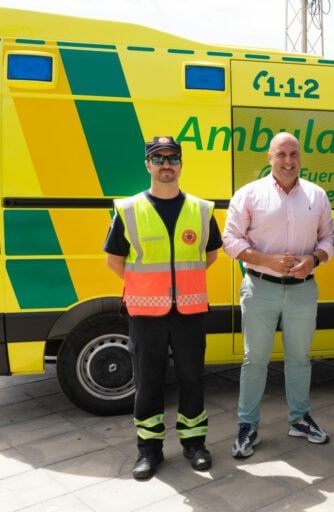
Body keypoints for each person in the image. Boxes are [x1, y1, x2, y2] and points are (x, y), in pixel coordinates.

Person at [104, 136, 222, 480]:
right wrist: (146, 286)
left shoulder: (200, 209)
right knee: (148, 382)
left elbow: (210, 254)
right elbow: (114, 260)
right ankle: (149, 451)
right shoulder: (128, 209)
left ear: (181, 164)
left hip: (189, 311)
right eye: (159, 159)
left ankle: (194, 445)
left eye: (172, 158)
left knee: (192, 379)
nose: (166, 165)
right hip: (145, 313)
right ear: (148, 165)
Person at [223, 132, 334, 458]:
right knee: (254, 360)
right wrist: (268, 260)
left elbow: (329, 239)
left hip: (302, 290)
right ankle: (247, 425)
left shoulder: (316, 195)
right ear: (269, 158)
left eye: (294, 154)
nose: (288, 161)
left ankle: (299, 419)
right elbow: (231, 241)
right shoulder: (249, 195)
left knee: (299, 359)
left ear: (301, 157)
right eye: (281, 154)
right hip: (261, 287)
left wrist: (313, 259)